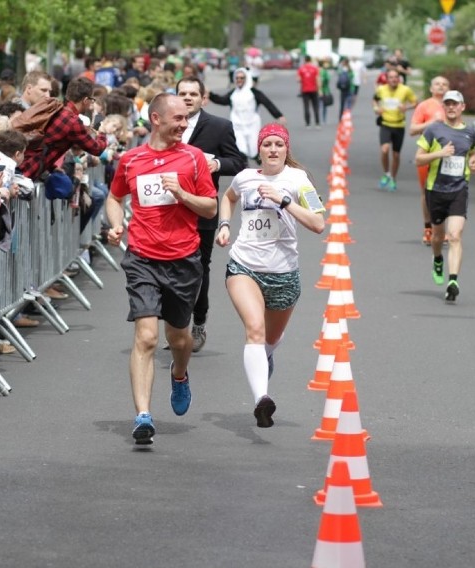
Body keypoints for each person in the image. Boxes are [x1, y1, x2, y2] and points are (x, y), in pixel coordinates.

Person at [104, 93, 217, 445]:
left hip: (183, 259)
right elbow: (113, 197)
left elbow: (211, 208)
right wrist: (116, 223)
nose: (185, 125)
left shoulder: (193, 158)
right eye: (179, 119)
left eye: (187, 118)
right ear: (156, 118)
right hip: (142, 257)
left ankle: (180, 374)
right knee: (147, 337)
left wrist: (183, 194)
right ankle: (142, 416)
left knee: (179, 339)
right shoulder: (131, 159)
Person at [215, 123, 325, 427]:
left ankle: (265, 358)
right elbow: (229, 197)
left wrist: (283, 200)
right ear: (259, 150)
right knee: (255, 329)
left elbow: (318, 224)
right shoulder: (245, 177)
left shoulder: (298, 180)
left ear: (286, 149)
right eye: (267, 145)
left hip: (283, 272)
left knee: (271, 338)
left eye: (279, 144)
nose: (273, 149)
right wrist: (224, 225)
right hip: (244, 265)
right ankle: (262, 400)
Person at [176, 75, 247, 352]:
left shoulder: (219, 126)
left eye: (193, 93)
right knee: (172, 268)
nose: (188, 98)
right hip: (171, 209)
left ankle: (199, 321)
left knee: (197, 267)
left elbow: (239, 162)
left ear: (203, 98)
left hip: (203, 208)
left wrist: (216, 163)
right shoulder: (167, 125)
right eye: (182, 93)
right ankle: (177, 325)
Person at [414, 90, 475, 302]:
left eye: (455, 104)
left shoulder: (470, 132)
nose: (451, 107)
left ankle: (453, 280)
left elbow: (473, 153)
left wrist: (473, 162)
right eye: (447, 104)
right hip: (436, 190)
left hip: (459, 189)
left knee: (455, 236)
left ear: (462, 107)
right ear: (444, 107)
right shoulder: (434, 129)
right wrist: (439, 154)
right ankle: (437, 258)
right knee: (438, 237)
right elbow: (418, 159)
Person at [209, 68, 285, 160]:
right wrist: (210, 95)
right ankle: (244, 170)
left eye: (242, 78)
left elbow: (267, 103)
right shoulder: (233, 93)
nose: (239, 80)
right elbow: (221, 100)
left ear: (246, 78)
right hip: (237, 126)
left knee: (254, 152)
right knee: (241, 150)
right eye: (237, 78)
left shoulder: (254, 93)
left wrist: (279, 115)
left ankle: (266, 169)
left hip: (252, 125)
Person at [410, 76, 449, 245]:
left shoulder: (453, 106)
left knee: (447, 193)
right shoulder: (424, 106)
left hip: (448, 155)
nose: (441, 86)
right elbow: (412, 130)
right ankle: (428, 228)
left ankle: (441, 229)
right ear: (431, 88)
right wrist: (431, 122)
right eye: (437, 84)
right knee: (427, 193)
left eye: (444, 84)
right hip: (427, 155)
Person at [373, 69, 417, 191]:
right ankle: (386, 173)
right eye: (391, 77)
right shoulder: (381, 89)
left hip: (399, 125)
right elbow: (375, 99)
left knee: (396, 155)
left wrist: (406, 107)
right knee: (385, 149)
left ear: (399, 78)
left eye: (395, 77)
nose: (393, 79)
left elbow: (415, 103)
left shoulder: (405, 90)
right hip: (386, 124)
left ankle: (393, 177)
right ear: (387, 79)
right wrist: (376, 108)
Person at [297, 55, 321, 129]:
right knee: (316, 107)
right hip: (314, 89)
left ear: (305, 60)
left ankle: (308, 124)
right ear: (310, 60)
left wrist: (304, 79)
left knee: (306, 107)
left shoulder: (301, 68)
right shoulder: (315, 68)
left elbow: (298, 79)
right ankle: (317, 123)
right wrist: (319, 89)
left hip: (305, 90)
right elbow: (318, 79)